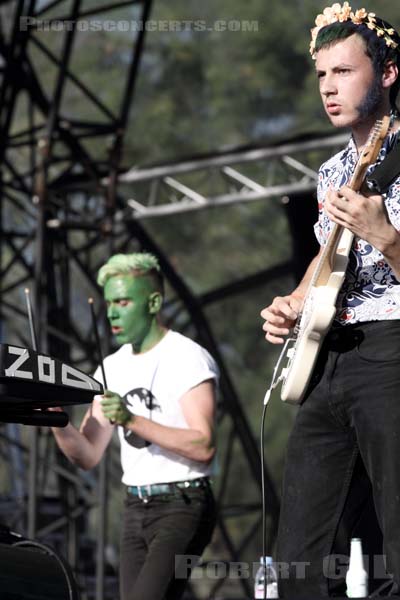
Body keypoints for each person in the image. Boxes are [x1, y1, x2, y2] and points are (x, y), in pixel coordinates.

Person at [261, 3, 400, 598]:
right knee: (300, 553)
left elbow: (375, 244)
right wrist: (293, 302)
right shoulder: (332, 171)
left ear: (387, 73)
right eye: (322, 75)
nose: (329, 88)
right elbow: (328, 262)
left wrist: (386, 235)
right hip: (329, 358)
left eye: (343, 72)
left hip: (392, 352)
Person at [51, 252, 219, 600]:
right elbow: (87, 454)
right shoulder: (111, 366)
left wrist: (130, 419)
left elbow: (203, 446)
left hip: (182, 503)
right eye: (110, 302)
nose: (112, 312)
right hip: (134, 508)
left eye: (124, 301)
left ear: (154, 302)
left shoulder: (187, 357)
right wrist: (54, 417)